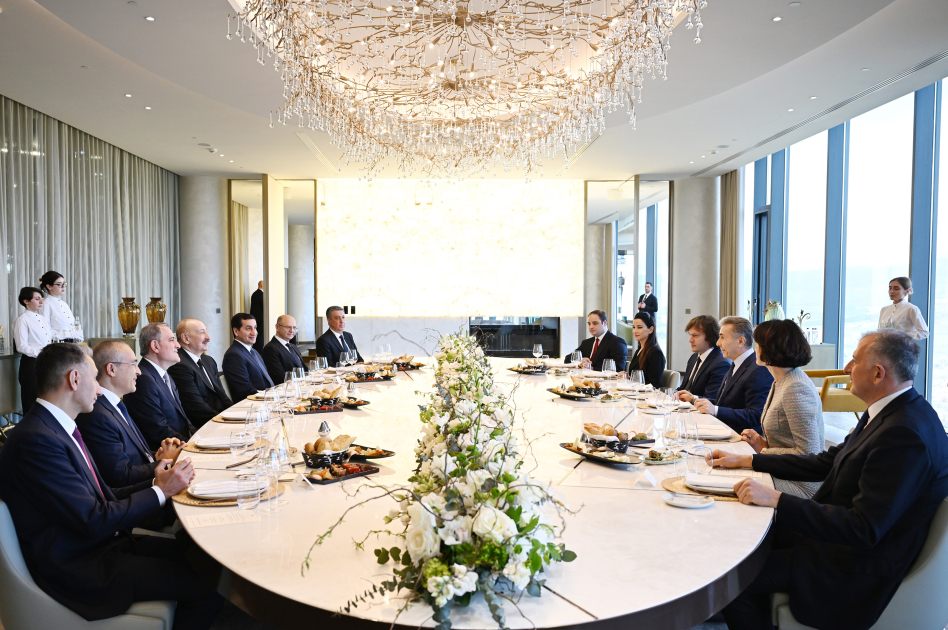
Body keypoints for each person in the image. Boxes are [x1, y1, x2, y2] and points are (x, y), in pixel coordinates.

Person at [713, 330, 948, 630]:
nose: (847, 368)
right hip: (833, 541)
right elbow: (825, 462)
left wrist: (777, 499)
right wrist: (749, 460)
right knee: (739, 538)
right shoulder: (892, 411)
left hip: (852, 565)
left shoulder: (904, 434)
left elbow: (863, 528)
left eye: (855, 360)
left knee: (733, 577)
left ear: (878, 373)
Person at [0, 343, 223, 630]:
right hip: (81, 566)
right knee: (209, 585)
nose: (99, 388)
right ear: (74, 379)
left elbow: (102, 494)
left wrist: (156, 482)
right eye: (94, 378)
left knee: (205, 558)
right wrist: (161, 492)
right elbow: (94, 518)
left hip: (103, 545)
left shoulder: (53, 427)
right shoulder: (37, 440)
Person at [76, 340, 184, 488]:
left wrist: (159, 454)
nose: (139, 371)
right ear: (111, 369)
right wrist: (164, 461)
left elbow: (136, 456)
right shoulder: (97, 415)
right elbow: (120, 476)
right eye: (134, 364)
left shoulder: (115, 405)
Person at [737, 319, 824, 499]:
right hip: (783, 471)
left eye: (759, 344)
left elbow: (808, 453)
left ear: (771, 349)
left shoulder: (795, 387)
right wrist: (763, 443)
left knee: (734, 481)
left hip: (800, 483)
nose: (756, 348)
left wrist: (764, 450)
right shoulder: (782, 380)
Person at [694, 316, 773, 434]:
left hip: (740, 437)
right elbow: (724, 403)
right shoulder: (736, 362)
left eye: (722, 337)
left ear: (741, 341)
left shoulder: (758, 369)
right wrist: (695, 399)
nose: (718, 343)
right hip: (723, 431)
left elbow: (756, 415)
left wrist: (715, 410)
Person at [123, 323, 194, 449]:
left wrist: (199, 438)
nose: (178, 345)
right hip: (165, 453)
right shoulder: (143, 380)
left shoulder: (164, 375)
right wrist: (192, 445)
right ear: (155, 346)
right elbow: (159, 431)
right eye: (171, 340)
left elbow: (183, 421)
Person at [167, 319, 233, 428]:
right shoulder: (179, 365)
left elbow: (223, 397)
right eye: (202, 332)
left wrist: (237, 416)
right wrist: (226, 423)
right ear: (185, 338)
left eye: (206, 331)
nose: (208, 337)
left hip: (221, 420)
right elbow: (196, 408)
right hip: (205, 426)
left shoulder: (209, 361)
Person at [677, 315, 732, 405]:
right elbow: (683, 388)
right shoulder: (694, 357)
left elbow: (712, 399)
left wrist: (692, 399)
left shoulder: (721, 363)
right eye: (690, 335)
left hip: (700, 411)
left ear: (710, 337)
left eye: (695, 336)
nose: (690, 340)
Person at [13, 286, 50, 414]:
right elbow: (21, 346)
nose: (41, 301)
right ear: (26, 301)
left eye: (41, 298)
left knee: (45, 400)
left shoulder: (43, 319)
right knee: (31, 401)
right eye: (37, 299)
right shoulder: (22, 320)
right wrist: (43, 353)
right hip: (30, 364)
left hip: (45, 362)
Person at [222, 313, 274, 402]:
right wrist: (271, 397)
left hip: (267, 400)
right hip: (253, 404)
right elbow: (245, 390)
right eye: (248, 328)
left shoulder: (254, 351)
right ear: (236, 331)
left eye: (255, 328)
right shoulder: (234, 355)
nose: (254, 333)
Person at [39, 270, 83, 342]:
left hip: (70, 343)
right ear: (49, 286)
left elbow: (72, 327)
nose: (63, 286)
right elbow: (46, 331)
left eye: (64, 283)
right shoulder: (45, 304)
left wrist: (77, 336)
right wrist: (70, 334)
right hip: (56, 344)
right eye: (59, 284)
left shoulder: (64, 304)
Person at [262, 314, 305, 384]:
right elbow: (280, 378)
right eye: (288, 327)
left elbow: (304, 369)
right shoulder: (270, 348)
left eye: (294, 328)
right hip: (288, 388)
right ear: (277, 327)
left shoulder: (293, 347)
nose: (291, 330)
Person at [627, 312, 665, 388]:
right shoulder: (639, 350)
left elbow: (654, 385)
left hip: (647, 394)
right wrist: (627, 378)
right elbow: (636, 379)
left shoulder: (656, 353)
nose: (635, 331)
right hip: (636, 392)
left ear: (651, 329)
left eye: (639, 327)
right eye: (634, 327)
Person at [250, 280, 265, 353]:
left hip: (254, 318)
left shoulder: (254, 294)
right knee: (260, 337)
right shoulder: (262, 294)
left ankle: (255, 350)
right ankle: (259, 352)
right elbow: (264, 307)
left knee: (256, 335)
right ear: (262, 286)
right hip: (261, 319)